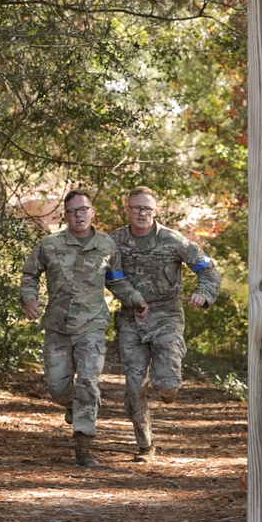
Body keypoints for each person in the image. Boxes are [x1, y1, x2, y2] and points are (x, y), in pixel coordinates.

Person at [20, 190, 147, 467]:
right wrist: (30, 299)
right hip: (57, 326)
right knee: (58, 389)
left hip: (92, 326)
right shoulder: (50, 245)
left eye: (83, 209)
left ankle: (84, 446)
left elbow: (116, 281)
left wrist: (135, 298)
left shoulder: (107, 246)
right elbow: (30, 274)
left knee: (88, 382)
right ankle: (71, 405)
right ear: (65, 216)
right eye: (72, 211)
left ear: (92, 212)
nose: (78, 215)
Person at [110, 187, 221, 460]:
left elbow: (208, 269)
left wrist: (203, 294)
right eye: (136, 208)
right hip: (130, 319)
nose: (141, 213)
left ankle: (167, 390)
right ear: (127, 209)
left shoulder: (173, 240)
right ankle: (145, 445)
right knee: (135, 387)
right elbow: (106, 275)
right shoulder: (114, 241)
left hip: (167, 318)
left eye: (146, 208)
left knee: (167, 383)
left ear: (155, 210)